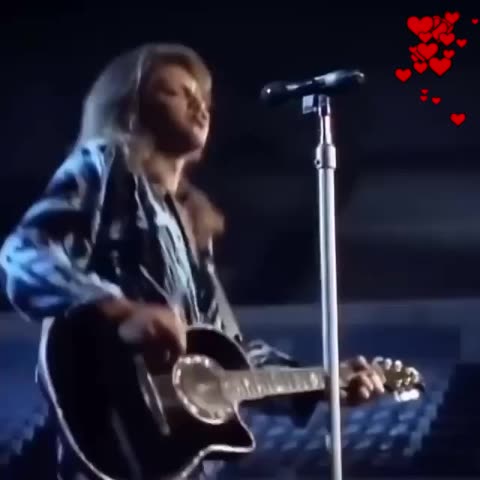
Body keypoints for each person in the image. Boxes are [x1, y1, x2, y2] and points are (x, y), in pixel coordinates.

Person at [0, 43, 387, 479]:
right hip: (114, 438)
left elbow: (230, 357)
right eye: (175, 92)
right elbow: (24, 252)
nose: (199, 106)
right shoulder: (105, 165)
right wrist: (118, 310)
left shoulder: (190, 224)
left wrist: (324, 384)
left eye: (202, 97)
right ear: (129, 107)